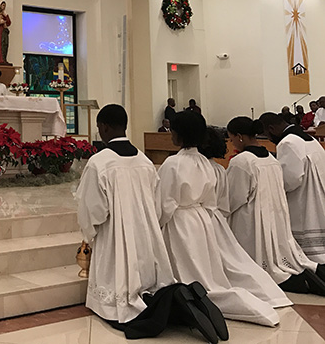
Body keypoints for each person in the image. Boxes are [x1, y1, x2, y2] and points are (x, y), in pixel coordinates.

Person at [78, 104, 226, 343]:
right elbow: (157, 202)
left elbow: (93, 210)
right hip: (145, 234)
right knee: (146, 289)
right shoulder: (144, 161)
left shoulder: (100, 162)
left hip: (115, 235)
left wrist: (89, 233)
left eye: (99, 127)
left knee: (121, 306)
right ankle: (181, 298)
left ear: (103, 127)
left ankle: (178, 301)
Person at [158, 111, 281, 327]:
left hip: (180, 221)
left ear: (178, 134)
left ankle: (194, 300)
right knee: (203, 270)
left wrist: (158, 224)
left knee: (186, 269)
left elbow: (165, 203)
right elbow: (213, 200)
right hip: (202, 219)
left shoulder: (172, 164)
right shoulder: (207, 163)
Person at [226, 116, 325, 295]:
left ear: (239, 136)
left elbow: (234, 197)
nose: (231, 142)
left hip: (261, 213)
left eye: (231, 138)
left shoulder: (243, 161)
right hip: (279, 208)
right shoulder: (272, 157)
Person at [259, 112, 325, 263]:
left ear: (271, 129)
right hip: (318, 196)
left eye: (267, 135)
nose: (269, 139)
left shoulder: (288, 143)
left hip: (303, 200)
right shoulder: (311, 140)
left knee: (309, 253)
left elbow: (290, 179)